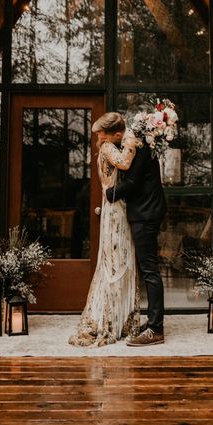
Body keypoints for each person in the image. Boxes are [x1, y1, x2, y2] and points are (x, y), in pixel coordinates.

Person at [69, 112, 140, 347]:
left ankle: (119, 318)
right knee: (116, 262)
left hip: (116, 206)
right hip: (115, 210)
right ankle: (110, 319)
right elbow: (125, 163)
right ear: (118, 135)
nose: (99, 136)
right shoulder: (109, 148)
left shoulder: (106, 147)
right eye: (100, 133)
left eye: (101, 132)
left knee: (119, 260)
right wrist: (131, 141)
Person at [106, 137, 167, 346]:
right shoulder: (143, 150)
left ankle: (155, 329)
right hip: (147, 213)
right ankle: (153, 322)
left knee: (150, 270)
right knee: (148, 269)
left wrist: (109, 193)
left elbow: (131, 184)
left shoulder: (140, 153)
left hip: (145, 215)